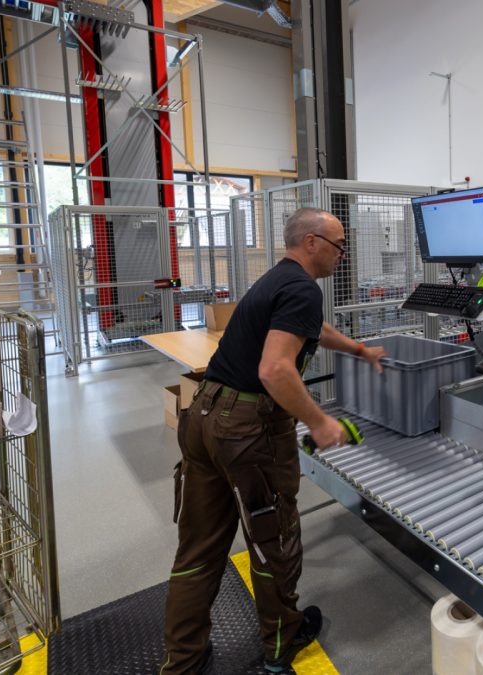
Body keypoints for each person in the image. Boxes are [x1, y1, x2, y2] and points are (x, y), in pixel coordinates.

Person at [161, 207, 385, 674]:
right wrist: (320, 422)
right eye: (338, 245)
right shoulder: (302, 287)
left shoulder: (278, 280)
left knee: (199, 546)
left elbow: (310, 330)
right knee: (273, 539)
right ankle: (281, 643)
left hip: (202, 416)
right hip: (246, 430)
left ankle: (183, 660)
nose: (342, 254)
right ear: (310, 242)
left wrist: (360, 350)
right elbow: (275, 369)